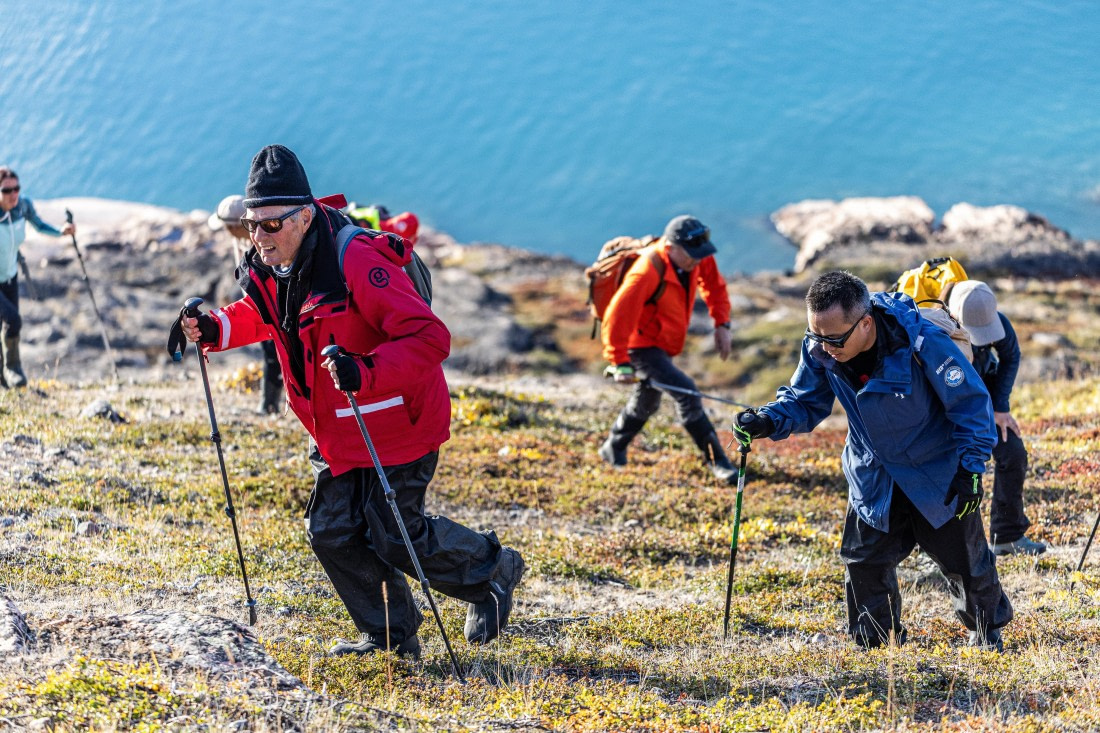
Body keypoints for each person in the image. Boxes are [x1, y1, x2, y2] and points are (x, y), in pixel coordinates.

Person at [179, 145, 524, 658]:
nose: (258, 237)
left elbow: (429, 338)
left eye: (271, 225)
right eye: (253, 225)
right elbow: (265, 312)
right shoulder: (274, 260)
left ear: (304, 215)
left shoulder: (356, 258)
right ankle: (392, 639)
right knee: (331, 532)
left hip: (396, 422)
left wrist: (367, 371)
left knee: (393, 533)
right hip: (338, 427)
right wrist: (215, 327)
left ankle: (493, 570)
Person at [734, 271, 1012, 651]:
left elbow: (971, 406)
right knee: (863, 561)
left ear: (865, 323)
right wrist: (768, 419)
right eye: (816, 335)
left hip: (936, 473)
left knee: (964, 560)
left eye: (834, 338)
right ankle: (876, 644)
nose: (824, 347)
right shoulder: (821, 345)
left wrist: (970, 471)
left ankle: (986, 632)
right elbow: (805, 400)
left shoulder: (922, 344)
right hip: (874, 474)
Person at [597, 215, 737, 483]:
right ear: (671, 247)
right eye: (691, 255)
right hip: (641, 347)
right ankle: (718, 462)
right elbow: (617, 316)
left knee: (647, 399)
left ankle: (613, 447)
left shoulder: (696, 255)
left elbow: (715, 286)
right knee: (688, 394)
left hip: (663, 343)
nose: (698, 260)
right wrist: (620, 362)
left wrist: (722, 324)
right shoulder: (646, 271)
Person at [947, 280, 1046, 556]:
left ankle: (1007, 535)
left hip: (984, 393)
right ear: (953, 315)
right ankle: (953, 549)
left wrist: (1000, 407)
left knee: (1012, 451)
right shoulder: (934, 331)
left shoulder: (994, 319)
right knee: (953, 469)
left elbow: (1011, 355)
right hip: (948, 403)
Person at [208, 194, 285, 414]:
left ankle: (269, 406)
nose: (225, 231)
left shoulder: (266, 244)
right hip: (258, 310)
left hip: (272, 313)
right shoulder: (241, 240)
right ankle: (270, 405)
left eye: (226, 226)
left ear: (233, 227)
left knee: (274, 357)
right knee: (271, 357)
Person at [0, 166, 75, 387]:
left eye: (16, 189)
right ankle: (12, 370)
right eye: (6, 190)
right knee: (13, 319)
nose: (13, 194)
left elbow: (39, 225)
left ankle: (7, 374)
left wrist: (61, 231)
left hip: (11, 277)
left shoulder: (23, 206)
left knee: (8, 324)